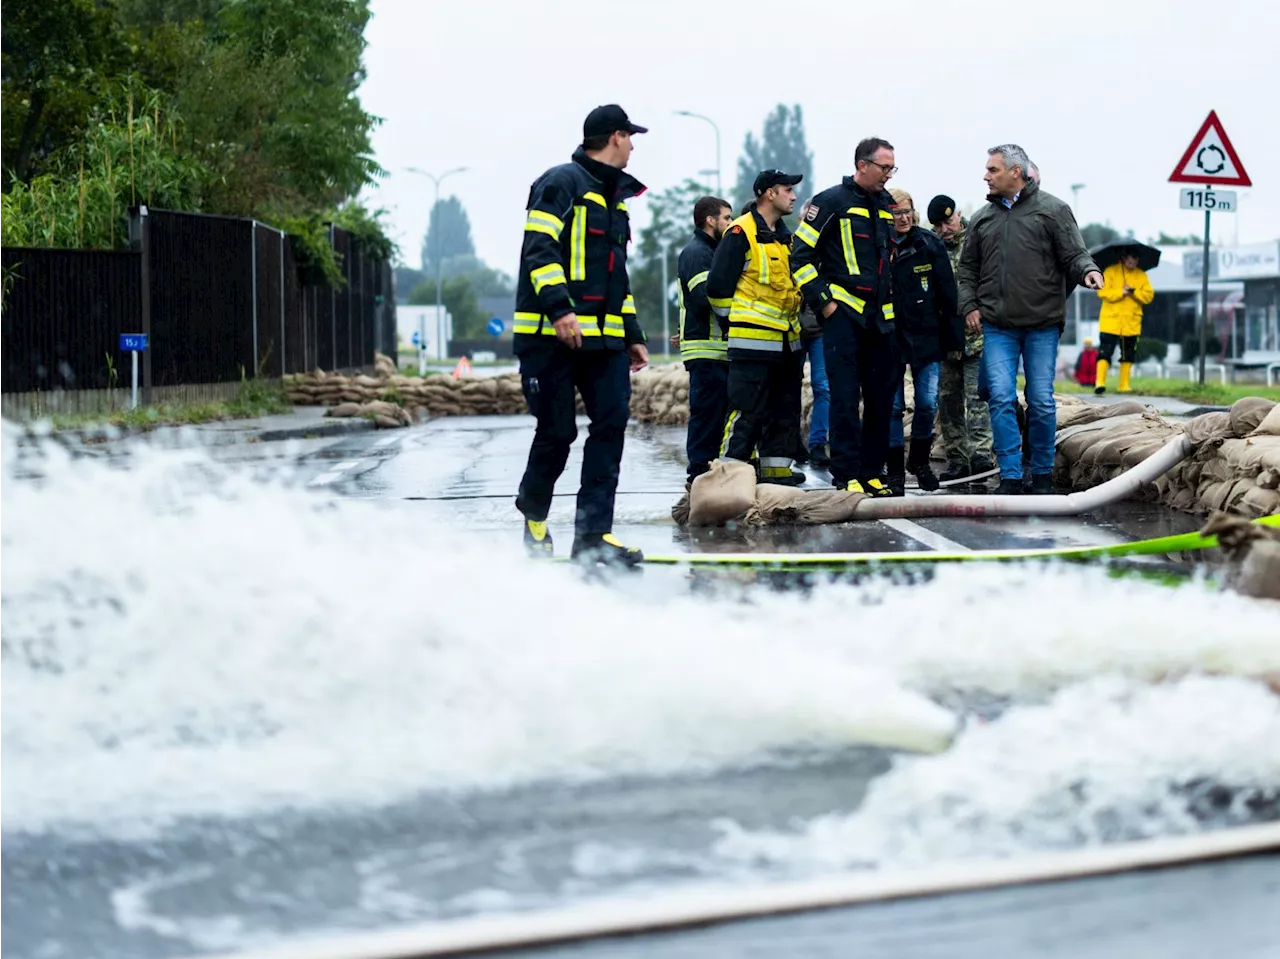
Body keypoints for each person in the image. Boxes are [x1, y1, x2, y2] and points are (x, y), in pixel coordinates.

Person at [512, 104, 651, 565]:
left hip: (605, 343)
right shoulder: (560, 183)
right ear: (615, 137)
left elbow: (618, 276)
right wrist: (559, 311)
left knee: (611, 427)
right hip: (550, 338)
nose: (633, 146)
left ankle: (594, 535)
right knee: (557, 432)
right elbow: (539, 249)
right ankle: (534, 516)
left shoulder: (615, 199)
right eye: (630, 137)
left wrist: (631, 333)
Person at [957, 144, 1102, 495]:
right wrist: (969, 306)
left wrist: (1089, 272)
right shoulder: (982, 219)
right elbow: (967, 269)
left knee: (1040, 400)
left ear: (1015, 173)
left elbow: (1075, 254)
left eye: (993, 170)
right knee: (1001, 398)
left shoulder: (1053, 211)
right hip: (997, 326)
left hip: (1042, 325)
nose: (985, 176)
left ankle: (1040, 475)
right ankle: (1009, 475)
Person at [788, 137, 900, 497]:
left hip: (881, 321)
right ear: (862, 165)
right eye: (885, 167)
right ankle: (846, 473)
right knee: (844, 398)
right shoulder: (829, 202)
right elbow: (799, 257)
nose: (889, 174)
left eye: (892, 168)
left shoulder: (887, 205)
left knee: (882, 400)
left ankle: (872, 473)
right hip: (844, 315)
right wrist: (824, 303)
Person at [705, 170, 806, 485]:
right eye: (788, 190)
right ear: (769, 194)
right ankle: (728, 478)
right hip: (752, 343)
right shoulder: (740, 232)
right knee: (746, 411)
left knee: (784, 410)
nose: (793, 196)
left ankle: (776, 473)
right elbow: (717, 289)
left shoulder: (784, 235)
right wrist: (735, 322)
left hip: (788, 343)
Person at [884, 188, 962, 495]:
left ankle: (919, 461)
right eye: (896, 213)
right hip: (889, 337)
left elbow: (947, 293)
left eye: (906, 212)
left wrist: (953, 340)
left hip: (927, 337)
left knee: (928, 404)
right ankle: (893, 470)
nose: (902, 219)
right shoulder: (880, 246)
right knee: (892, 408)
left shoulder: (929, 244)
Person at [928, 194, 994, 485]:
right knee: (949, 401)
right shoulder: (931, 246)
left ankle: (981, 456)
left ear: (958, 216)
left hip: (976, 336)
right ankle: (957, 459)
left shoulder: (976, 240)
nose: (946, 229)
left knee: (978, 399)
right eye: (940, 225)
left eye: (949, 221)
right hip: (944, 339)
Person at [677, 195, 734, 482]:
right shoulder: (698, 253)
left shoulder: (711, 251)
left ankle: (708, 472)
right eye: (726, 217)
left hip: (716, 350)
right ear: (710, 220)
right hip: (706, 350)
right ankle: (699, 475)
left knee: (716, 417)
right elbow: (704, 299)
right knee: (707, 417)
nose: (731, 223)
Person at [1095, 248, 1155, 394]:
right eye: (1129, 257)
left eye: (1135, 258)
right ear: (1123, 257)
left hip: (1131, 323)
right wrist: (1120, 292)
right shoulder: (1110, 272)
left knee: (1128, 354)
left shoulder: (1141, 276)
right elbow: (1102, 292)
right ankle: (1100, 382)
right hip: (1110, 322)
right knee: (1105, 352)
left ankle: (1124, 385)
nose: (1132, 261)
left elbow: (1148, 296)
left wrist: (1134, 292)